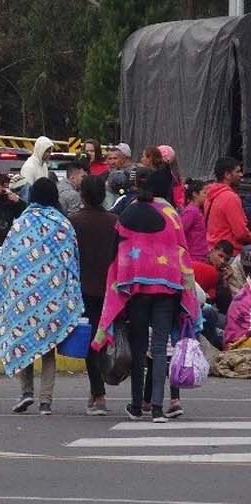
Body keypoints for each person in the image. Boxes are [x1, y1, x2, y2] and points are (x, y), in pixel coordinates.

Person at [95, 175, 199, 422]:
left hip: (136, 287)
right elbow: (182, 250)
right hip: (168, 284)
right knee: (161, 348)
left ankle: (135, 405)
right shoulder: (171, 214)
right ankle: (157, 408)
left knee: (139, 348)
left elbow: (116, 250)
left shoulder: (128, 214)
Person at [0, 177, 84, 416]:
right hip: (51, 296)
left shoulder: (21, 223)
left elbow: (7, 257)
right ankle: (46, 401)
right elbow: (71, 260)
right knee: (48, 348)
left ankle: (26, 393)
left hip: (23, 296)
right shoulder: (62, 224)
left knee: (24, 341)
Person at [71, 173, 120, 415]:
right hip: (112, 289)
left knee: (92, 342)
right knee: (106, 338)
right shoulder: (115, 221)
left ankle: (98, 393)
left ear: (82, 194)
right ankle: (98, 391)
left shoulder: (74, 221)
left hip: (84, 289)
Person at [204, 157, 251, 255]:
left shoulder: (210, 194)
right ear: (227, 175)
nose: (241, 175)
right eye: (237, 171)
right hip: (229, 253)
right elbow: (241, 234)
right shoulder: (230, 197)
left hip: (213, 250)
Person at [181, 179, 210, 262]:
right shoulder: (191, 211)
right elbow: (181, 231)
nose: (206, 195)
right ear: (195, 194)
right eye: (204, 193)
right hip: (194, 255)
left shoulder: (197, 210)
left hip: (199, 253)